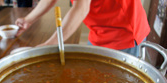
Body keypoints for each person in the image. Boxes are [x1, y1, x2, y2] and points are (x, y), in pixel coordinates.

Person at [15, 0, 150, 57]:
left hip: (123, 32)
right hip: (98, 30)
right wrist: (28, 20)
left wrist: (51, 43)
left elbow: (81, 8)